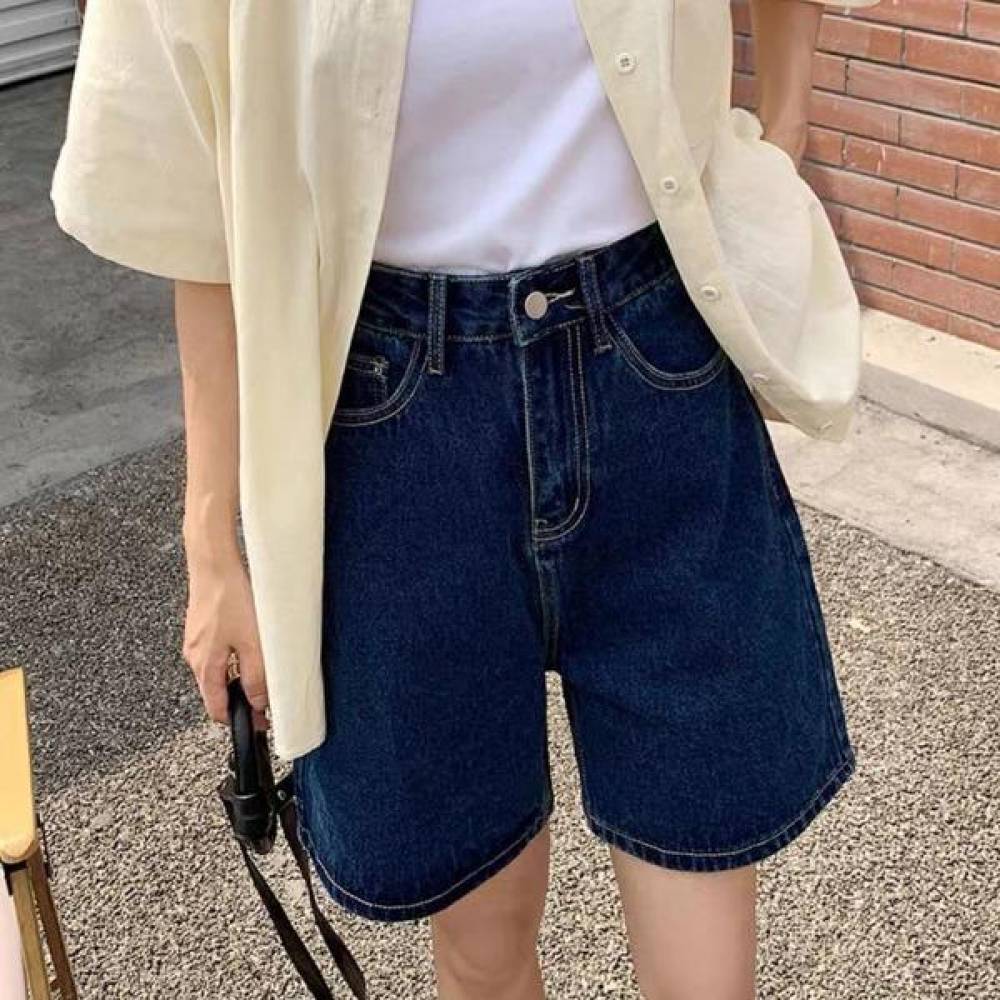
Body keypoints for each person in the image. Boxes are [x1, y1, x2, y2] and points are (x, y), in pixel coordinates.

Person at [50, 0, 880, 996]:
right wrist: (212, 550)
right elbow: (196, 212)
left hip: (657, 365)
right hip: (394, 420)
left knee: (707, 932)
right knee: (481, 945)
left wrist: (783, 141)